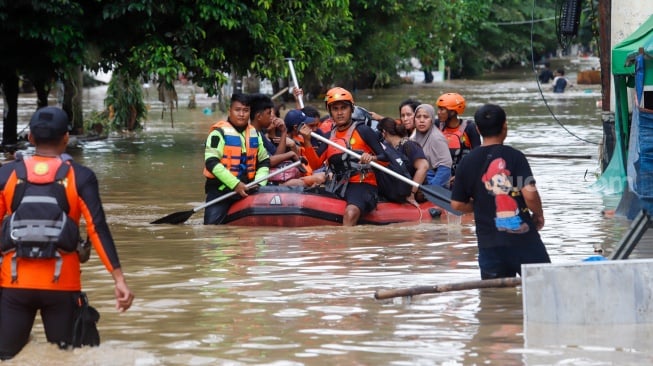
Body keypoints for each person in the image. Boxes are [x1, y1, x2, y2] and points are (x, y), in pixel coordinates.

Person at [0, 106, 134, 359]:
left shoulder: (7, 174)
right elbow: (97, 228)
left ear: (30, 138)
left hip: (14, 284)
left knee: (6, 358)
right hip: (62, 284)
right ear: (66, 138)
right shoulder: (80, 177)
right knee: (67, 359)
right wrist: (118, 279)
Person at [450, 104, 551, 279]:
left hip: (489, 246)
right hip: (524, 241)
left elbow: (457, 204)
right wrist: (539, 214)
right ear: (505, 125)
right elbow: (530, 193)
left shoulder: (467, 163)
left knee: (494, 300)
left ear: (478, 129)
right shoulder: (515, 157)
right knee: (544, 289)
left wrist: (479, 204)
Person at [298, 87, 387, 226]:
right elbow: (315, 165)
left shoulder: (363, 130)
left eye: (343, 108)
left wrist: (372, 158)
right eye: (335, 109)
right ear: (330, 112)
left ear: (351, 109)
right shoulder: (329, 137)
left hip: (363, 184)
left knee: (350, 213)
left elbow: (385, 157)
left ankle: (346, 244)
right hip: (338, 184)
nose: (339, 113)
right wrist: (307, 141)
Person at [203, 93, 271, 224]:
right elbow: (211, 163)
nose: (241, 114)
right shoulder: (218, 133)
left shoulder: (255, 134)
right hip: (221, 192)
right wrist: (235, 184)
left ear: (250, 112)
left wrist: (259, 183)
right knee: (211, 229)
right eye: (237, 110)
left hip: (249, 190)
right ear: (230, 111)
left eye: (245, 110)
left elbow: (264, 161)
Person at [377, 117, 429, 205]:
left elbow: (424, 167)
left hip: (415, 191)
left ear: (384, 133)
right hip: (400, 189)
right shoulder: (391, 147)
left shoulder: (409, 145)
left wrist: (412, 194)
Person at [436, 92, 481, 177]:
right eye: (438, 109)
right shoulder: (436, 125)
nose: (438, 112)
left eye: (442, 109)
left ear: (452, 112)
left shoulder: (470, 128)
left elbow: (478, 156)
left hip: (463, 174)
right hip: (440, 173)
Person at [410, 104, 453, 188]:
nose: (421, 120)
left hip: (435, 182)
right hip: (419, 179)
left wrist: (430, 189)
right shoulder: (414, 137)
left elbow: (445, 168)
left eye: (426, 117)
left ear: (432, 120)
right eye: (418, 117)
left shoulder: (437, 138)